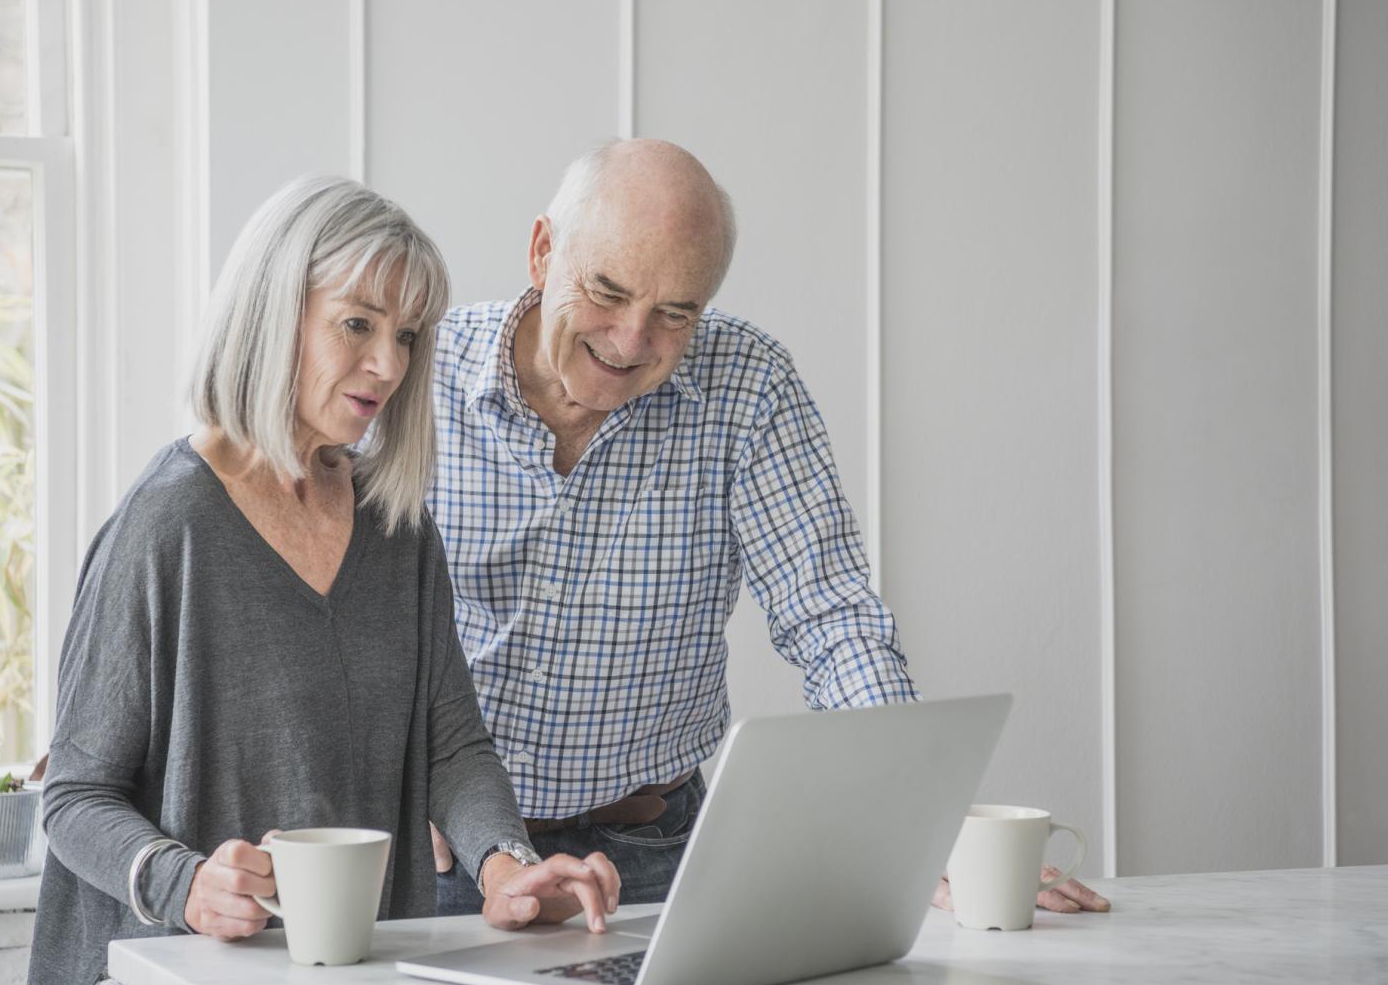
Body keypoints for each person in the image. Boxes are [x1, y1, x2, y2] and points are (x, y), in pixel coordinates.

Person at [427, 139, 1108, 918]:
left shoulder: (748, 389)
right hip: (446, 852)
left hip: (651, 853)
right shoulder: (423, 379)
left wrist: (922, 829)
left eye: (674, 314)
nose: (630, 340)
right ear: (544, 250)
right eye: (607, 291)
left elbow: (833, 619)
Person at [26, 175, 619, 985]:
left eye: (407, 335)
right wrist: (184, 881)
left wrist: (507, 863)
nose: (389, 364)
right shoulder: (170, 521)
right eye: (357, 324)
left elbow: (451, 744)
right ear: (274, 311)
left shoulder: (396, 528)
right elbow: (74, 795)